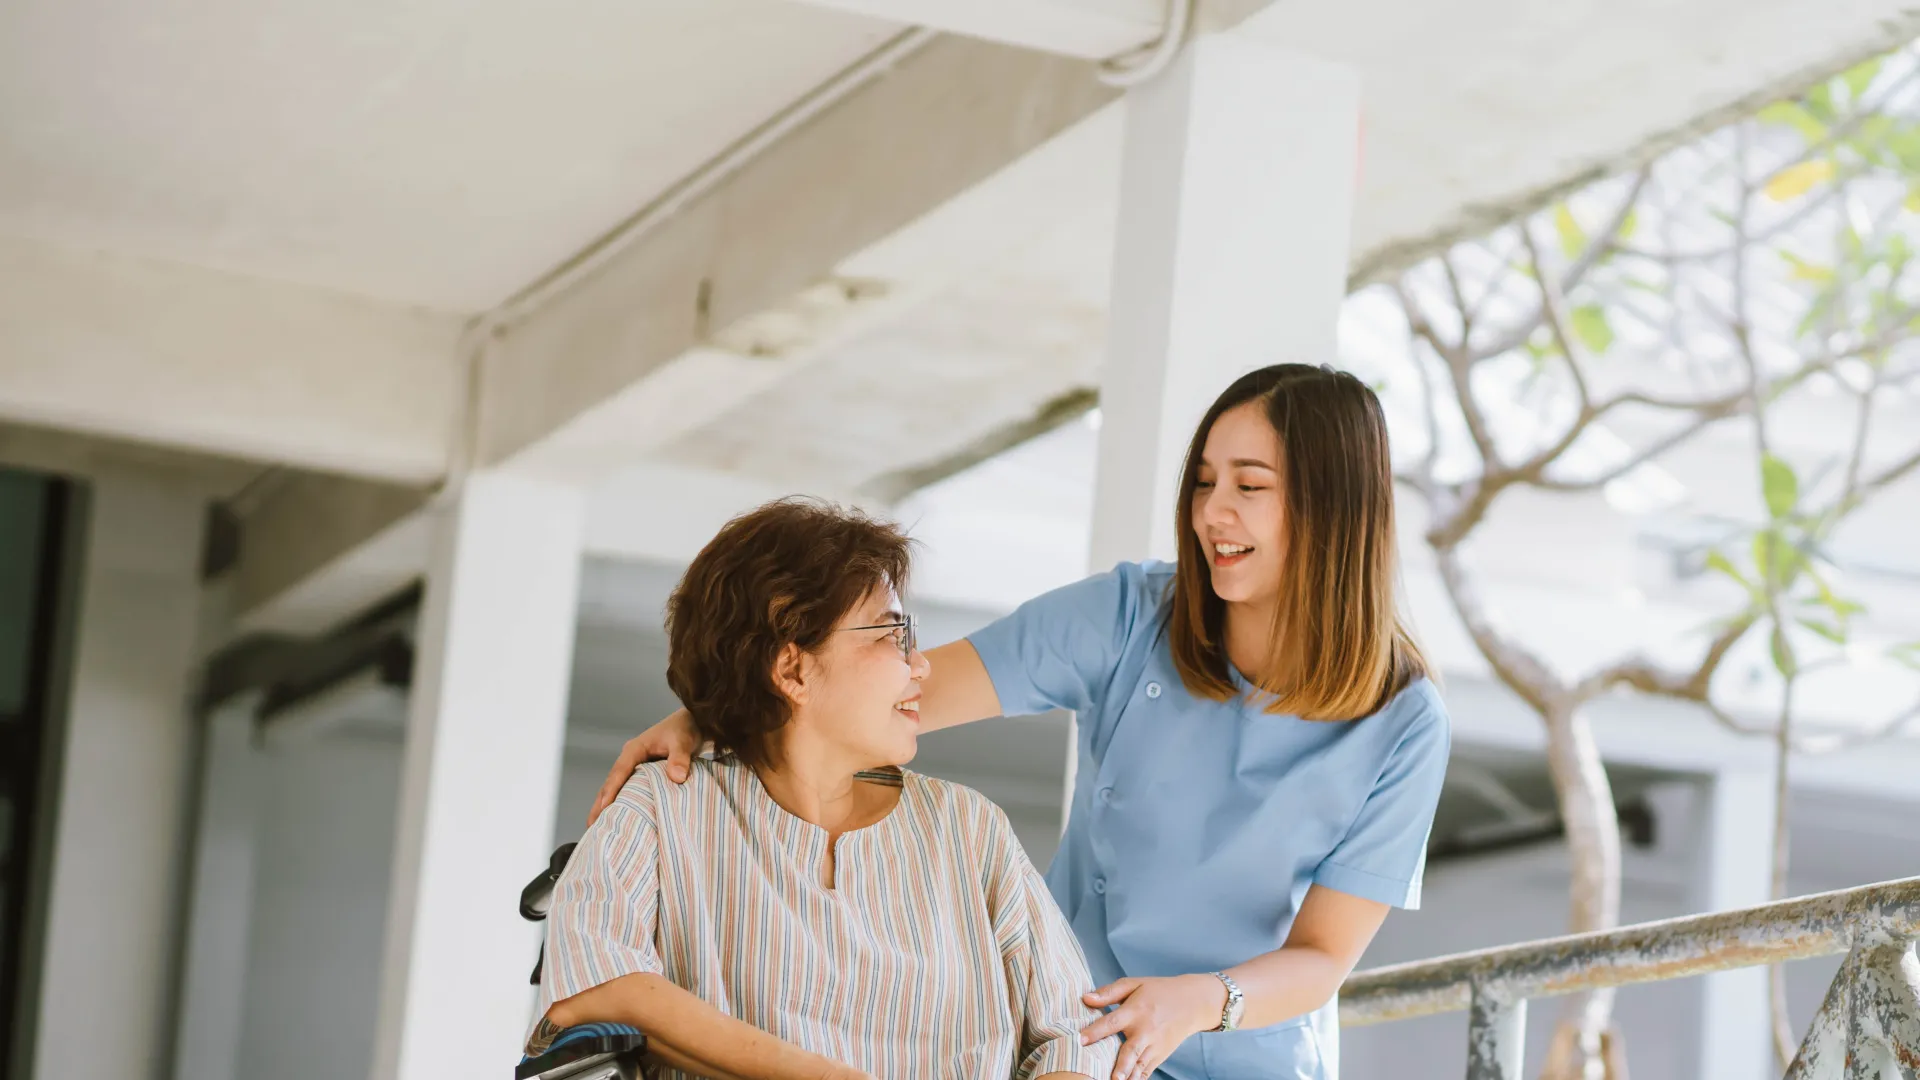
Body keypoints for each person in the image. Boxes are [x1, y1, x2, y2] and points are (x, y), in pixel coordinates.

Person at [592, 364, 1451, 1080]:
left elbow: (1323, 958)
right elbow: (899, 691)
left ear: (1334, 510)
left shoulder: (1405, 720)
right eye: (1203, 482)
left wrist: (1199, 998)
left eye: (1249, 488)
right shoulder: (1132, 615)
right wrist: (719, 708)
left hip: (1243, 1047)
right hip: (1076, 1042)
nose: (1210, 514)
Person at [531, 498, 1117, 1080]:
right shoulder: (662, 805)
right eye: (893, 634)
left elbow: (1076, 1036)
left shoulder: (969, 828)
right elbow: (592, 987)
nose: (921, 666)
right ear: (792, 670)